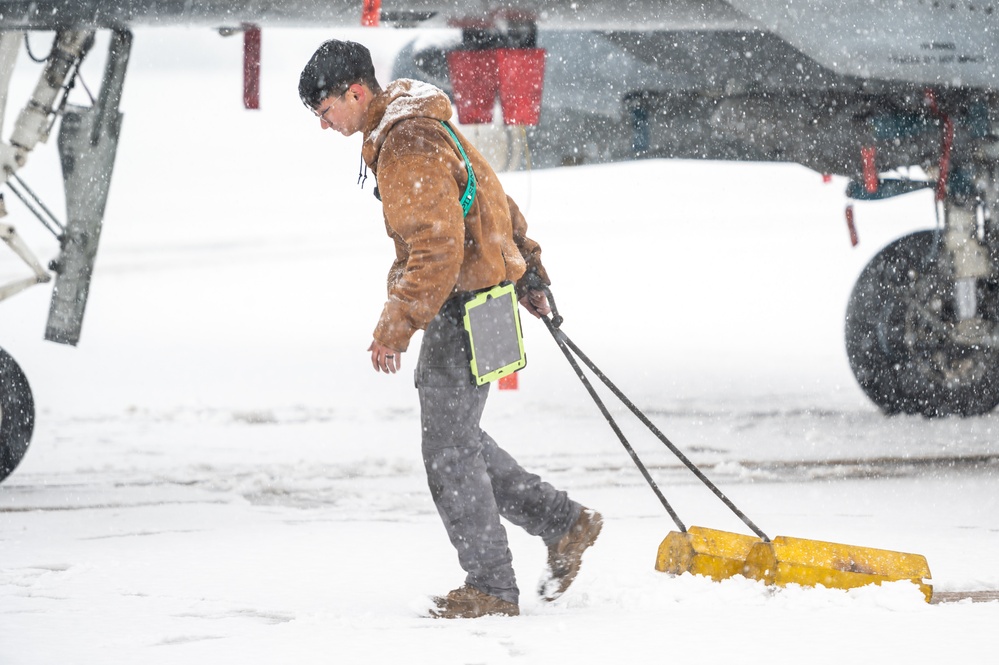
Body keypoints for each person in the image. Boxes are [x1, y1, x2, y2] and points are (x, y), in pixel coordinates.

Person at [299, 39, 601, 619]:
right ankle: (563, 523)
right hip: (488, 300)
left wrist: (396, 325)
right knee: (457, 436)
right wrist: (528, 270)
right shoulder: (426, 122)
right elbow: (492, 197)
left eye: (325, 111)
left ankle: (491, 586)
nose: (324, 124)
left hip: (462, 306)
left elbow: (437, 247)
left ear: (355, 92)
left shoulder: (407, 140)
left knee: (447, 448)